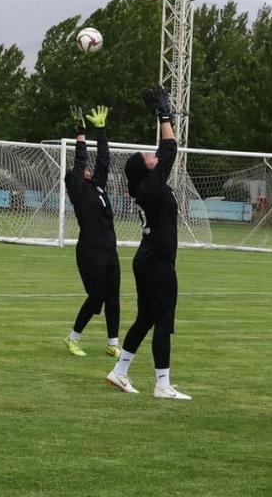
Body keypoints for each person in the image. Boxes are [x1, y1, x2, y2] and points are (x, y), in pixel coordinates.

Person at [106, 85, 190, 400]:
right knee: (164, 322)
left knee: (147, 318)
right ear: (145, 170)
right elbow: (170, 148)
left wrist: (162, 113)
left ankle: (119, 372)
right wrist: (162, 112)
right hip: (157, 263)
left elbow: (165, 150)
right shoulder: (151, 188)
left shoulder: (146, 187)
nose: (153, 156)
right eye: (148, 157)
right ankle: (162, 384)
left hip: (148, 259)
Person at [63, 105, 122, 358]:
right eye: (80, 171)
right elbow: (81, 160)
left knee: (113, 298)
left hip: (109, 250)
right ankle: (73, 337)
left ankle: (113, 343)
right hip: (89, 251)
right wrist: (81, 132)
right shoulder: (77, 190)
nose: (86, 170)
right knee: (96, 296)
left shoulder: (97, 186)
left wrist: (102, 131)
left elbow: (104, 160)